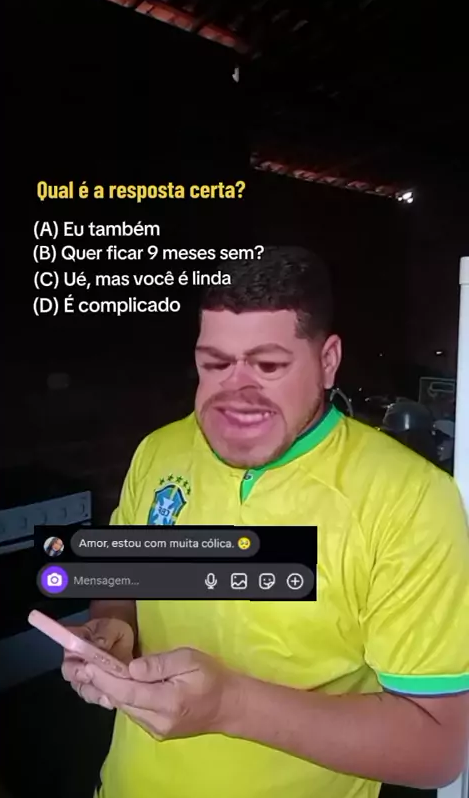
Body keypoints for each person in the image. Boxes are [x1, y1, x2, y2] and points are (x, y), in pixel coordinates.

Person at [62, 247, 469, 798]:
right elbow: (120, 580)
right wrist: (114, 629)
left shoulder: (410, 499)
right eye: (215, 364)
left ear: (328, 360)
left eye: (268, 365)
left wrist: (231, 706)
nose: (237, 392)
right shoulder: (160, 451)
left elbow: (437, 748)